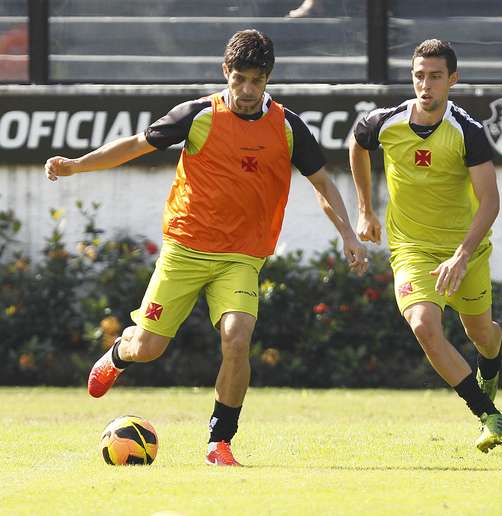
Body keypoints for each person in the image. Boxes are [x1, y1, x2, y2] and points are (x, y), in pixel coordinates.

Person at [44, 30, 368, 467]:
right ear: (225, 73)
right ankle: (121, 352)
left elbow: (323, 183)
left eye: (257, 80)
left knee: (237, 337)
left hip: (241, 256)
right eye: (240, 79)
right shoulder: (197, 115)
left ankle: (220, 442)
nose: (248, 90)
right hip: (186, 249)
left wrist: (348, 233)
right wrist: (77, 165)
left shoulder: (288, 127)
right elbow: (137, 145)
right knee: (149, 348)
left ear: (269, 78)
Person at [350, 39, 502, 453]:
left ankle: (489, 368)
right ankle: (487, 413)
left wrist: (461, 255)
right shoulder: (385, 122)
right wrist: (365, 209)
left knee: (483, 336)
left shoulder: (468, 132)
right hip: (412, 249)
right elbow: (357, 143)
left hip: (466, 251)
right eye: (419, 75)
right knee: (423, 325)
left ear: (452, 80)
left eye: (435, 76)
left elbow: (490, 202)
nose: (426, 84)